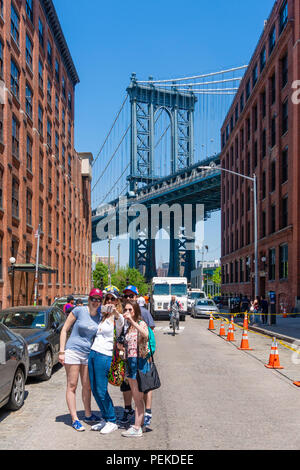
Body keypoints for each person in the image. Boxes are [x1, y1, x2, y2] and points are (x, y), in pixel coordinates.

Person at [59, 288, 103, 432]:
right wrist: (61, 351)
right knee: (72, 385)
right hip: (72, 351)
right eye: (93, 298)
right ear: (88, 299)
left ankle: (88, 414)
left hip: (87, 353)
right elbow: (64, 329)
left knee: (87, 386)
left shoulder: (100, 315)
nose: (96, 301)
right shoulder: (79, 310)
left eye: (98, 299)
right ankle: (75, 419)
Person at [88, 289, 124, 434]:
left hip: (105, 355)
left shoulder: (117, 317)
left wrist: (115, 312)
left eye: (112, 299)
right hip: (93, 352)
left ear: (117, 301)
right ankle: (104, 417)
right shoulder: (102, 316)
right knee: (94, 389)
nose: (109, 301)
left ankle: (112, 420)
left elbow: (121, 322)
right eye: (107, 299)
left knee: (102, 390)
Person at [119, 285, 155, 430]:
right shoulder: (124, 317)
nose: (128, 298)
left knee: (144, 388)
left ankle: (146, 414)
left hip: (141, 358)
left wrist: (150, 353)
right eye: (126, 296)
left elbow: (149, 335)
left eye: (131, 296)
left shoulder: (143, 315)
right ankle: (130, 412)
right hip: (129, 360)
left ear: (136, 297)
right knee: (130, 388)